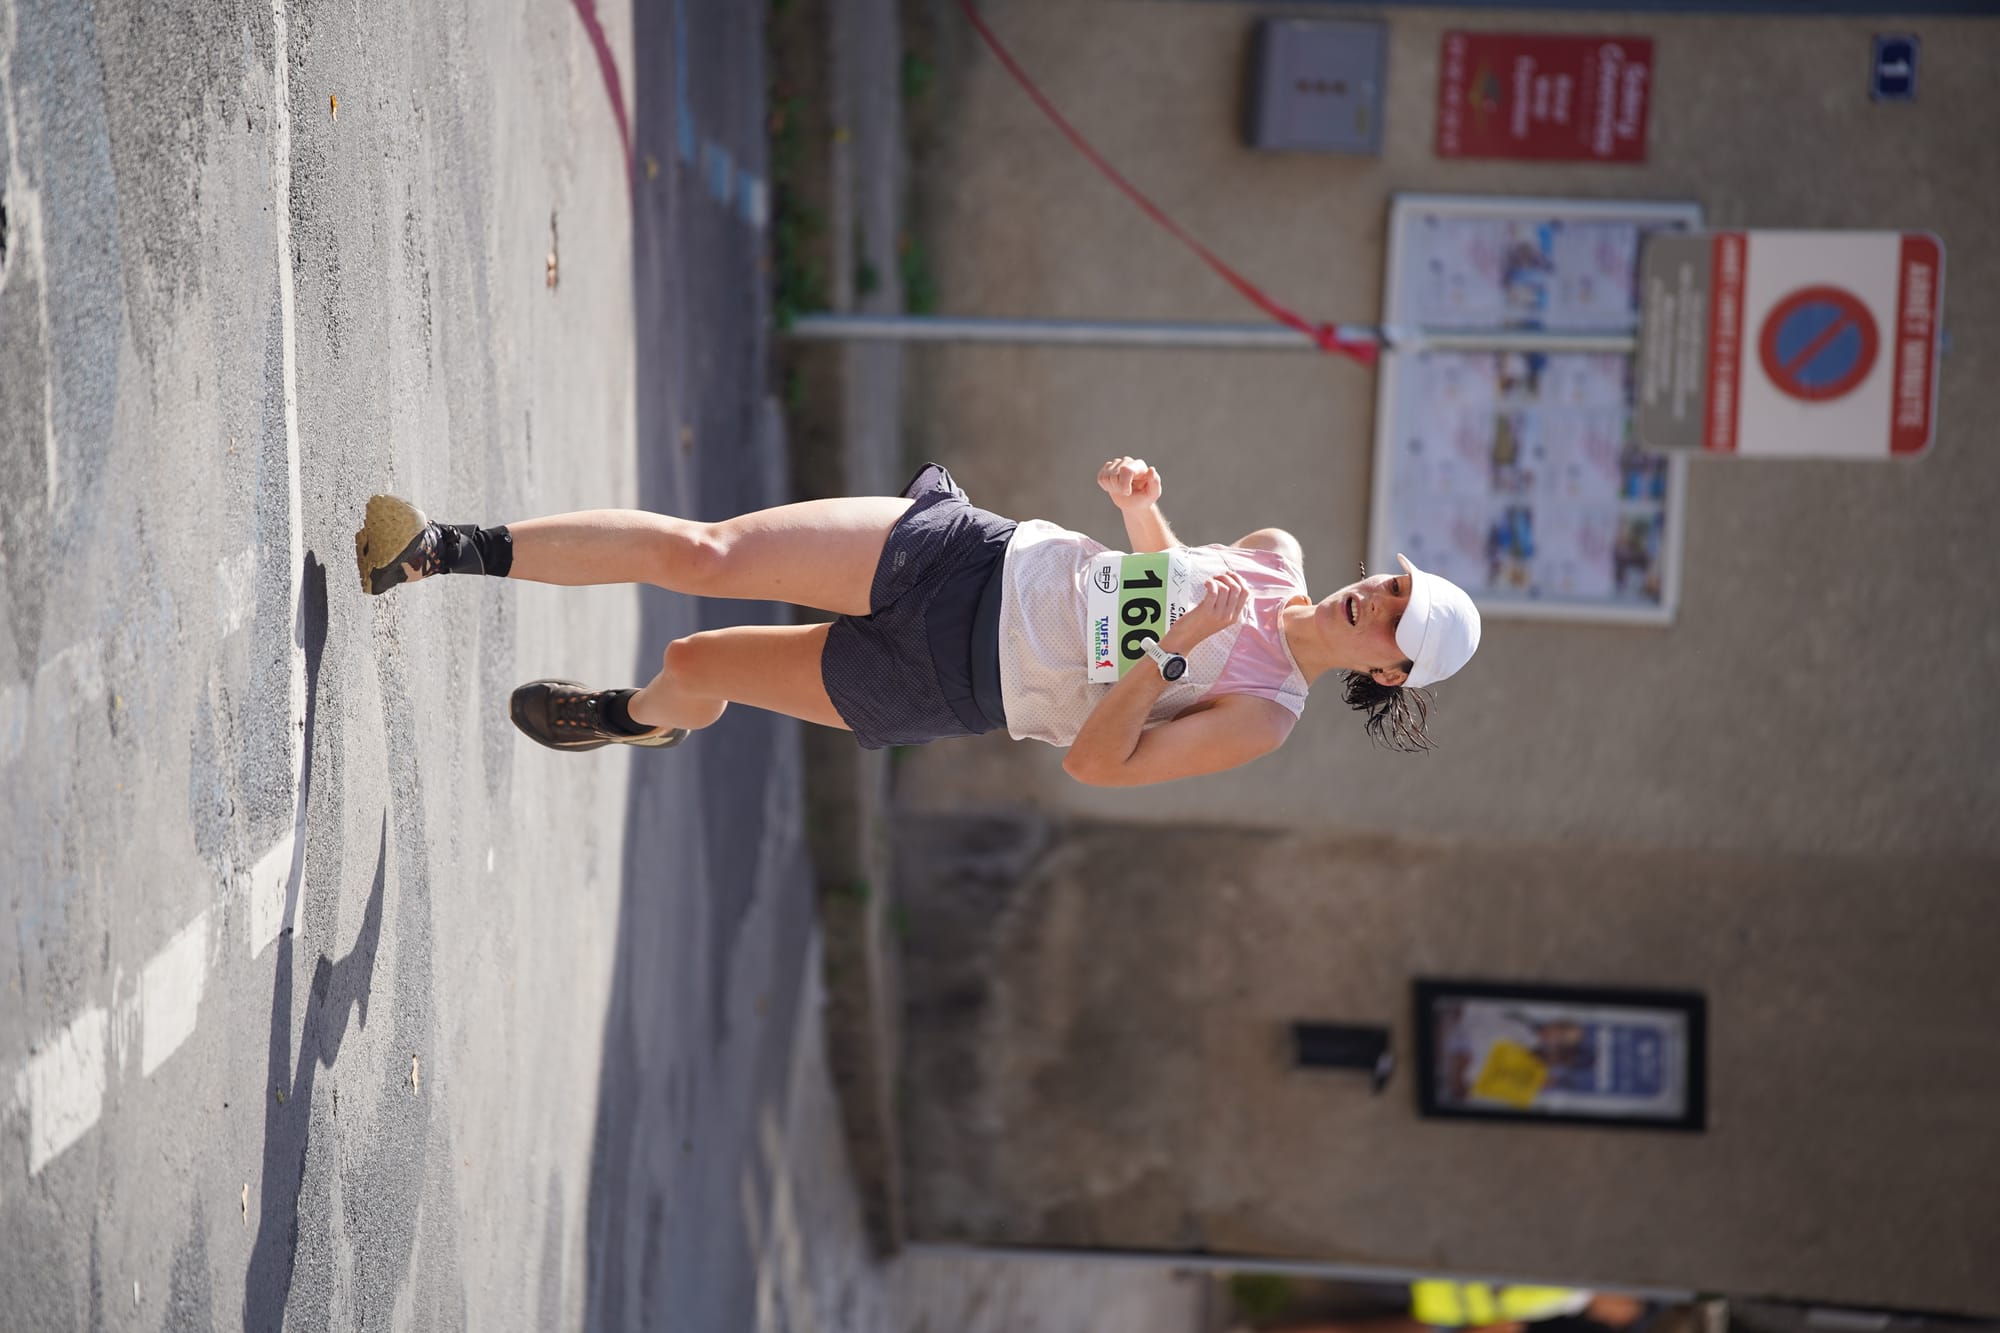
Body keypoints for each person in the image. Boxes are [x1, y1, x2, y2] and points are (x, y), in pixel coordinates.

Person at [352, 458, 1481, 786]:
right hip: (971, 554)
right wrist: (1141, 509)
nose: (1375, 598)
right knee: (709, 552)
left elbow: (1097, 763)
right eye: (1392, 584)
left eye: (1395, 621)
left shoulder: (1265, 715)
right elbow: (1152, 574)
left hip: (953, 682)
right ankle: (441, 548)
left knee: (697, 660)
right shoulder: (1275, 554)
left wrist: (1169, 658)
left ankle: (630, 718)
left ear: (1387, 674)